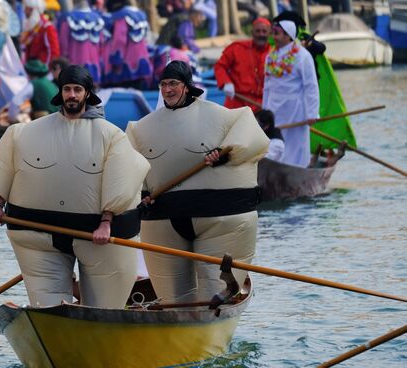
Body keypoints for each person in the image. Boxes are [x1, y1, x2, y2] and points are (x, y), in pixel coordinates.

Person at [0, 65, 150, 308]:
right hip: (38, 233)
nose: (71, 95)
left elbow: (122, 180)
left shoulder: (112, 137)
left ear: (87, 93)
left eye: (77, 90)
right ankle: (55, 327)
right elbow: (6, 166)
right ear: (60, 92)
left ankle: (101, 323)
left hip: (97, 235)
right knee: (48, 308)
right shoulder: (23, 133)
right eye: (67, 89)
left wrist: (106, 222)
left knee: (104, 308)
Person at [126, 61, 268, 305]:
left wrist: (226, 153)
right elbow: (128, 169)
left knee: (212, 299)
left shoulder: (223, 117)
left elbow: (252, 136)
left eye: (174, 83)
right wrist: (141, 196)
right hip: (163, 220)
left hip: (218, 218)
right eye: (163, 84)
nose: (168, 89)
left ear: (187, 86)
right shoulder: (141, 128)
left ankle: (210, 325)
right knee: (173, 303)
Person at [263, 20, 319, 168]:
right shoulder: (270, 56)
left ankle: (298, 170)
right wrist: (264, 111)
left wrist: (312, 113)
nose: (273, 37)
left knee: (296, 144)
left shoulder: (303, 55)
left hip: (295, 109)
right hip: (274, 108)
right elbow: (267, 86)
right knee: (275, 142)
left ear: (288, 36)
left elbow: (311, 85)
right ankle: (275, 171)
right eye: (273, 33)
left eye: (277, 33)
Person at [214, 17, 271, 112]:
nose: (261, 34)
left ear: (269, 33)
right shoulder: (236, 48)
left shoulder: (275, 53)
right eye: (258, 31)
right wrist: (226, 83)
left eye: (264, 31)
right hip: (237, 102)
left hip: (262, 106)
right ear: (252, 32)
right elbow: (220, 66)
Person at [102, 0, 152, 88]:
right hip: (142, 60)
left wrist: (116, 60)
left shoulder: (121, 15)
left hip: (126, 62)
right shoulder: (142, 14)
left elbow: (120, 40)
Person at [58, 0, 104, 85]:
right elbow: (101, 45)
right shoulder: (98, 19)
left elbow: (63, 45)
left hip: (74, 66)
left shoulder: (67, 19)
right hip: (94, 66)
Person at [21, 0, 61, 65]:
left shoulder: (47, 27)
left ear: (33, 10)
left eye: (27, 9)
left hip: (42, 70)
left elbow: (53, 52)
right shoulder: (32, 27)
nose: (25, 12)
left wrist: (45, 70)